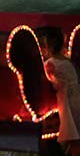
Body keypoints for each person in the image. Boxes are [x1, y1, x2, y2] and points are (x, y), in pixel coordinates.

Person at [36, 26, 80, 155]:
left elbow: (45, 80)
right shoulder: (68, 61)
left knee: (73, 134)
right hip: (76, 96)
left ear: (48, 47)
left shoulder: (50, 64)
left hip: (67, 101)